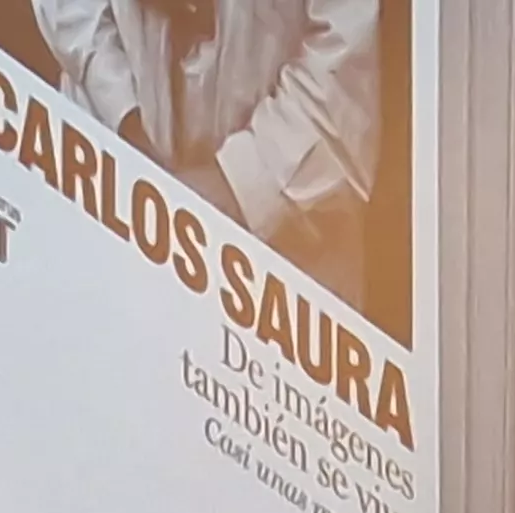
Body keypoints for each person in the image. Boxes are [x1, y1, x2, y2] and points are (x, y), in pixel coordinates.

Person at [33, 0, 383, 307]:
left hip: (279, 263)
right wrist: (125, 117)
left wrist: (231, 187)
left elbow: (344, 75)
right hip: (114, 174)